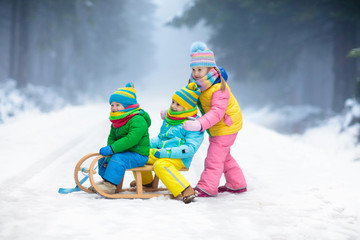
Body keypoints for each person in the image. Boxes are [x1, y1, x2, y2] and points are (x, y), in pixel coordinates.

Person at [182, 41, 247, 197]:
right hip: (218, 126)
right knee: (223, 156)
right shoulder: (199, 85)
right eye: (194, 69)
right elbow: (186, 102)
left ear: (210, 69)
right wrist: (172, 113)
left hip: (226, 125)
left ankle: (207, 187)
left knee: (214, 158)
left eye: (200, 69)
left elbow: (217, 112)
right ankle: (237, 184)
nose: (196, 73)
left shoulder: (218, 87)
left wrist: (199, 124)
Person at [133, 83, 204, 203]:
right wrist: (144, 145)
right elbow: (161, 138)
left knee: (160, 165)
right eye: (173, 102)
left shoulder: (192, 125)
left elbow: (190, 148)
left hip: (179, 158)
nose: (173, 106)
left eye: (178, 104)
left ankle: (185, 189)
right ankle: (147, 182)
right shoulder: (170, 119)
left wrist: (165, 153)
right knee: (137, 153)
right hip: (160, 152)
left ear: (187, 108)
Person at [89, 83, 151, 194]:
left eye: (117, 105)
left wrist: (112, 149)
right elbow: (112, 137)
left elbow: (131, 139)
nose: (114, 108)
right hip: (126, 153)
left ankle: (110, 185)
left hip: (139, 155)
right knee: (104, 158)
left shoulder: (137, 119)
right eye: (112, 105)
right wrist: (109, 153)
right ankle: (106, 181)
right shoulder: (117, 121)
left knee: (118, 158)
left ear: (127, 106)